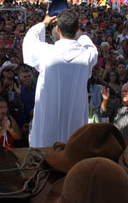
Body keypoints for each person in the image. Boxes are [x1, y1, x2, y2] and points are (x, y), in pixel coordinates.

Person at [23, 10, 97, 147]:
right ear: (77, 29)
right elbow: (89, 44)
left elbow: (29, 42)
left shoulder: (45, 53)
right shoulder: (87, 55)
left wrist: (44, 23)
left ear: (57, 29)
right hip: (75, 120)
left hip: (48, 121)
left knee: (46, 153)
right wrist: (81, 36)